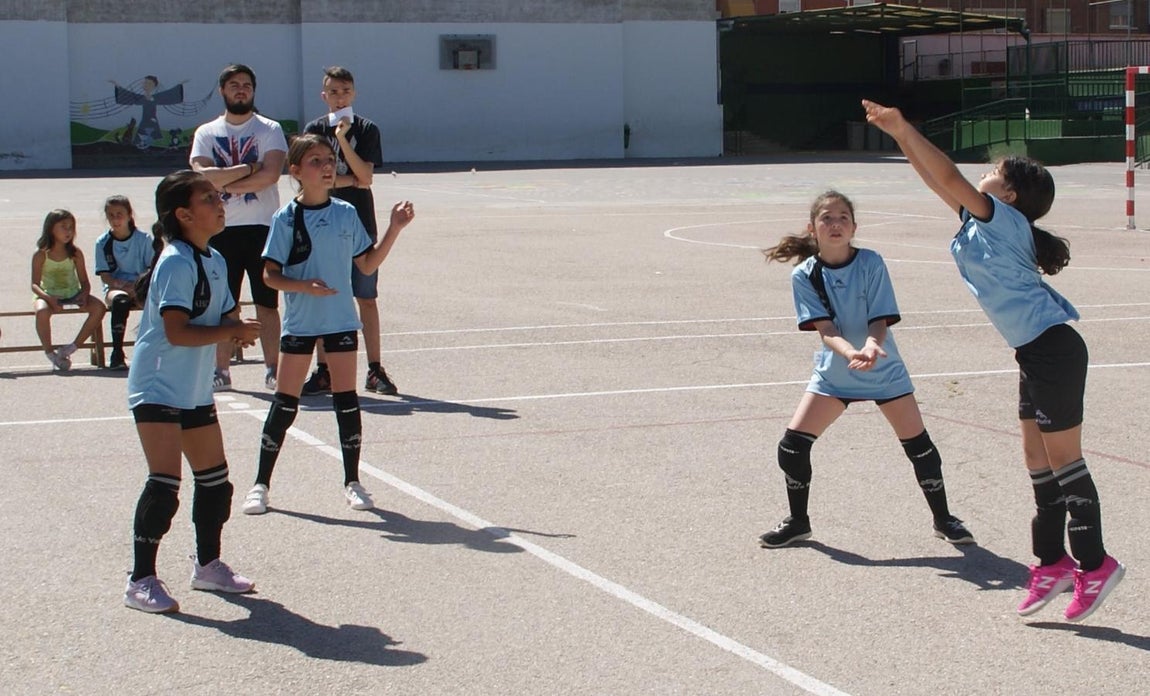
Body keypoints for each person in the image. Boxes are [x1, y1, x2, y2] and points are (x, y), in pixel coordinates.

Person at [862, 99, 1125, 622]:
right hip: (1034, 352)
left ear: (1008, 194)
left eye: (994, 172)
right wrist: (900, 139)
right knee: (1036, 460)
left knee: (1066, 461)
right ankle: (1050, 562)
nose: (983, 175)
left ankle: (1095, 565)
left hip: (1054, 350)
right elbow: (939, 182)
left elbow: (948, 175)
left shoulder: (1003, 220)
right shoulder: (985, 222)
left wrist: (904, 128)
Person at [758, 191, 974, 550]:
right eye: (827, 217)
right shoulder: (805, 275)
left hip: (883, 371)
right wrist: (851, 352)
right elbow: (826, 330)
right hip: (836, 373)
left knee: (919, 447)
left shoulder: (872, 263)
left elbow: (879, 319)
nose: (836, 223)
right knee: (792, 448)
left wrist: (873, 346)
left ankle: (944, 519)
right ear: (812, 228)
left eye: (843, 217)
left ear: (855, 226)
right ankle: (798, 522)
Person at [241, 134, 414, 516]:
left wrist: (394, 229)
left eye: (329, 159)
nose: (326, 166)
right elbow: (270, 276)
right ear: (297, 171)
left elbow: (366, 265)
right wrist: (303, 286)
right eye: (316, 160)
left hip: (340, 322)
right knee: (286, 404)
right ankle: (260, 484)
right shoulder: (285, 218)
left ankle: (352, 482)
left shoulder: (345, 213)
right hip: (301, 325)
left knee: (346, 402)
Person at [122, 170, 262, 613]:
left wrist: (236, 330)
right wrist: (232, 329)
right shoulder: (175, 261)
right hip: (158, 384)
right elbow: (178, 332)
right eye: (208, 198)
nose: (219, 202)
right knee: (164, 485)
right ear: (183, 215)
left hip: (193, 387)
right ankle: (140, 580)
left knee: (216, 482)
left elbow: (221, 317)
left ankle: (207, 566)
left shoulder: (214, 259)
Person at [190, 63, 287, 392]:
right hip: (221, 231)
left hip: (262, 228)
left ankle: (274, 367)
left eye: (246, 84)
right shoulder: (207, 132)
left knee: (267, 304)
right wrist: (248, 168)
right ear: (223, 91)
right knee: (223, 305)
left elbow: (270, 175)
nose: (241, 89)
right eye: (234, 85)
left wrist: (224, 183)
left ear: (254, 90)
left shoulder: (269, 129)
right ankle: (221, 370)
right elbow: (202, 176)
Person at [300, 65, 397, 396]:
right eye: (333, 91)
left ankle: (374, 369)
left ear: (353, 93)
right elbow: (314, 179)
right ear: (323, 95)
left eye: (345, 90)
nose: (339, 97)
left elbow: (366, 177)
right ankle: (324, 369)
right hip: (322, 221)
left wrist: (342, 137)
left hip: (359, 222)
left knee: (366, 296)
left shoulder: (367, 129)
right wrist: (346, 179)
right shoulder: (313, 129)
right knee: (326, 295)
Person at [31, 209, 106, 371]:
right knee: (41, 311)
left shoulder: (75, 253)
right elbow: (34, 285)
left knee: (99, 308)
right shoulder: (41, 255)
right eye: (64, 227)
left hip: (72, 293)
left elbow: (85, 281)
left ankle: (71, 348)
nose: (69, 231)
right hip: (48, 294)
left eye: (71, 227)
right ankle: (50, 353)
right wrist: (49, 298)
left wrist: (84, 294)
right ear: (51, 229)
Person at [94, 195, 154, 370]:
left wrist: (137, 286)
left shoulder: (143, 239)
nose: (115, 219)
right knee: (121, 301)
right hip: (116, 287)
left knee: (157, 303)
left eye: (119, 214)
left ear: (129, 215)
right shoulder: (103, 242)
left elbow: (152, 269)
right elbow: (104, 275)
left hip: (141, 285)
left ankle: (150, 352)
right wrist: (121, 285)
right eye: (111, 215)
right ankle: (117, 353)